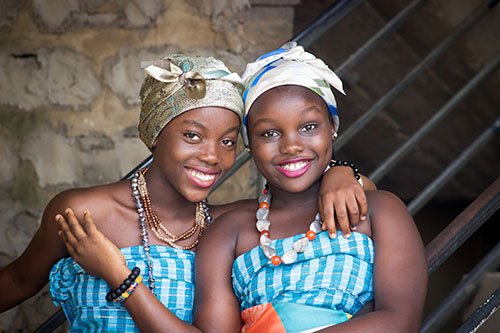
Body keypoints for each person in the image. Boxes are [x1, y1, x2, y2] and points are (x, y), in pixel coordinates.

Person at [0, 53, 374, 332]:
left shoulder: (230, 226)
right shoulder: (84, 213)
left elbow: (354, 196)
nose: (212, 156)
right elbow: (17, 282)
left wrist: (340, 172)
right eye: (192, 136)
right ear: (154, 134)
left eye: (228, 141)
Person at [193, 42, 428, 332]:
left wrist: (342, 172)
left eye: (309, 127)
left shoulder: (380, 211)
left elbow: (400, 322)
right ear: (249, 145)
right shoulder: (229, 232)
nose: (291, 146)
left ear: (332, 127)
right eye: (269, 133)